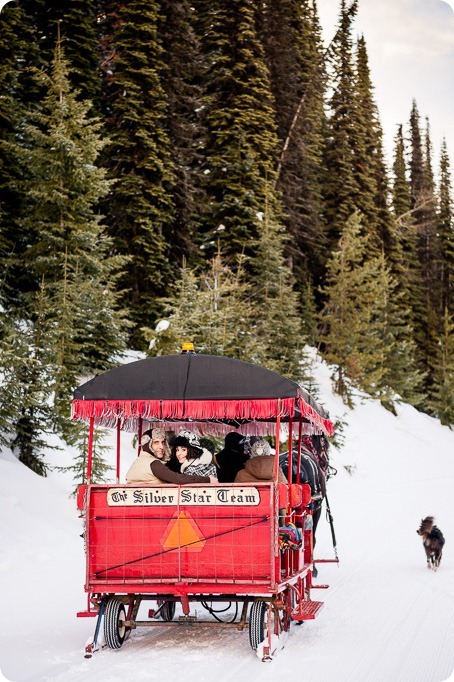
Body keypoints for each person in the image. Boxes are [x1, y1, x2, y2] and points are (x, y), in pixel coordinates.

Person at [125, 427, 216, 485]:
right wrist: (208, 480)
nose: (161, 447)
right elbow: (178, 479)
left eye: (163, 442)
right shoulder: (153, 463)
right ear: (147, 445)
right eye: (156, 443)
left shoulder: (139, 462)